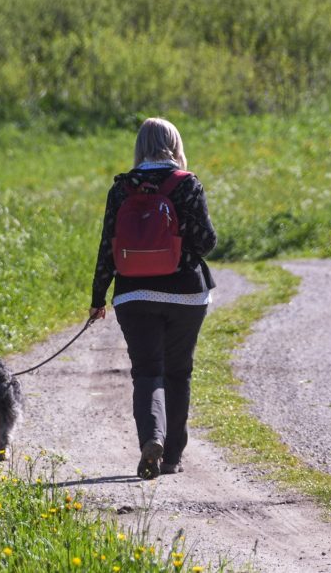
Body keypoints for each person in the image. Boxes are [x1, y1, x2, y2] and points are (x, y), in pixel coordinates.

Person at [89, 117, 217, 480]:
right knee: (178, 372)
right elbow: (206, 241)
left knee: (147, 372)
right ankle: (173, 456)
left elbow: (107, 247)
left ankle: (152, 440)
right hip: (186, 296)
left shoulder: (122, 189)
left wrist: (98, 297)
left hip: (134, 294)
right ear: (175, 144)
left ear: (140, 147)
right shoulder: (187, 184)